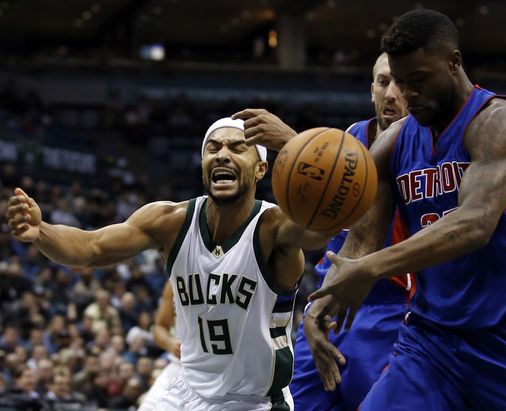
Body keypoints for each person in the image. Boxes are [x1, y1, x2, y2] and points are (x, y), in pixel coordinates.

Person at [309, 9, 506, 410]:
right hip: (430, 339)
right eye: (397, 81)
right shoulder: (392, 143)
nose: (406, 94)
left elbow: (474, 224)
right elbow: (362, 240)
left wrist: (373, 267)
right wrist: (322, 302)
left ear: (454, 63)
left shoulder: (496, 121)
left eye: (417, 80)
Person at [5, 117, 338, 410]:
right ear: (204, 163)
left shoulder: (274, 227)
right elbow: (91, 247)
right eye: (213, 148)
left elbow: (327, 222)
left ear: (261, 168)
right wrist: (41, 232)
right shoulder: (170, 220)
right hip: (186, 390)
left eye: (238, 148)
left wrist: (294, 144)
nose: (222, 154)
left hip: (253, 401)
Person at [234, 52, 411, 410]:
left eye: (401, 82)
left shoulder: (416, 146)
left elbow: (358, 184)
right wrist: (315, 314)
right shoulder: (353, 136)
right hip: (329, 301)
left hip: (388, 308)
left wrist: (292, 141)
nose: (390, 93)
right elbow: (341, 185)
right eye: (382, 82)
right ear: (370, 90)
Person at [138, 281, 181, 410]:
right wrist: (170, 343)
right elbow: (159, 327)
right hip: (179, 366)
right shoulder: (175, 279)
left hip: (222, 373)